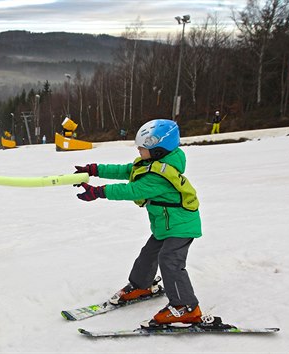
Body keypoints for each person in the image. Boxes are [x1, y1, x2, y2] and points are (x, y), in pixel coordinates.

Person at [74, 119, 203, 327]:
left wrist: (98, 192)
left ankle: (185, 307)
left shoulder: (160, 176)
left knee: (169, 260)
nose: (139, 151)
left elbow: (132, 190)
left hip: (181, 226)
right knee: (148, 255)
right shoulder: (151, 163)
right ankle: (141, 286)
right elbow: (125, 171)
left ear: (159, 151)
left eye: (142, 148)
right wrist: (93, 169)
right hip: (166, 225)